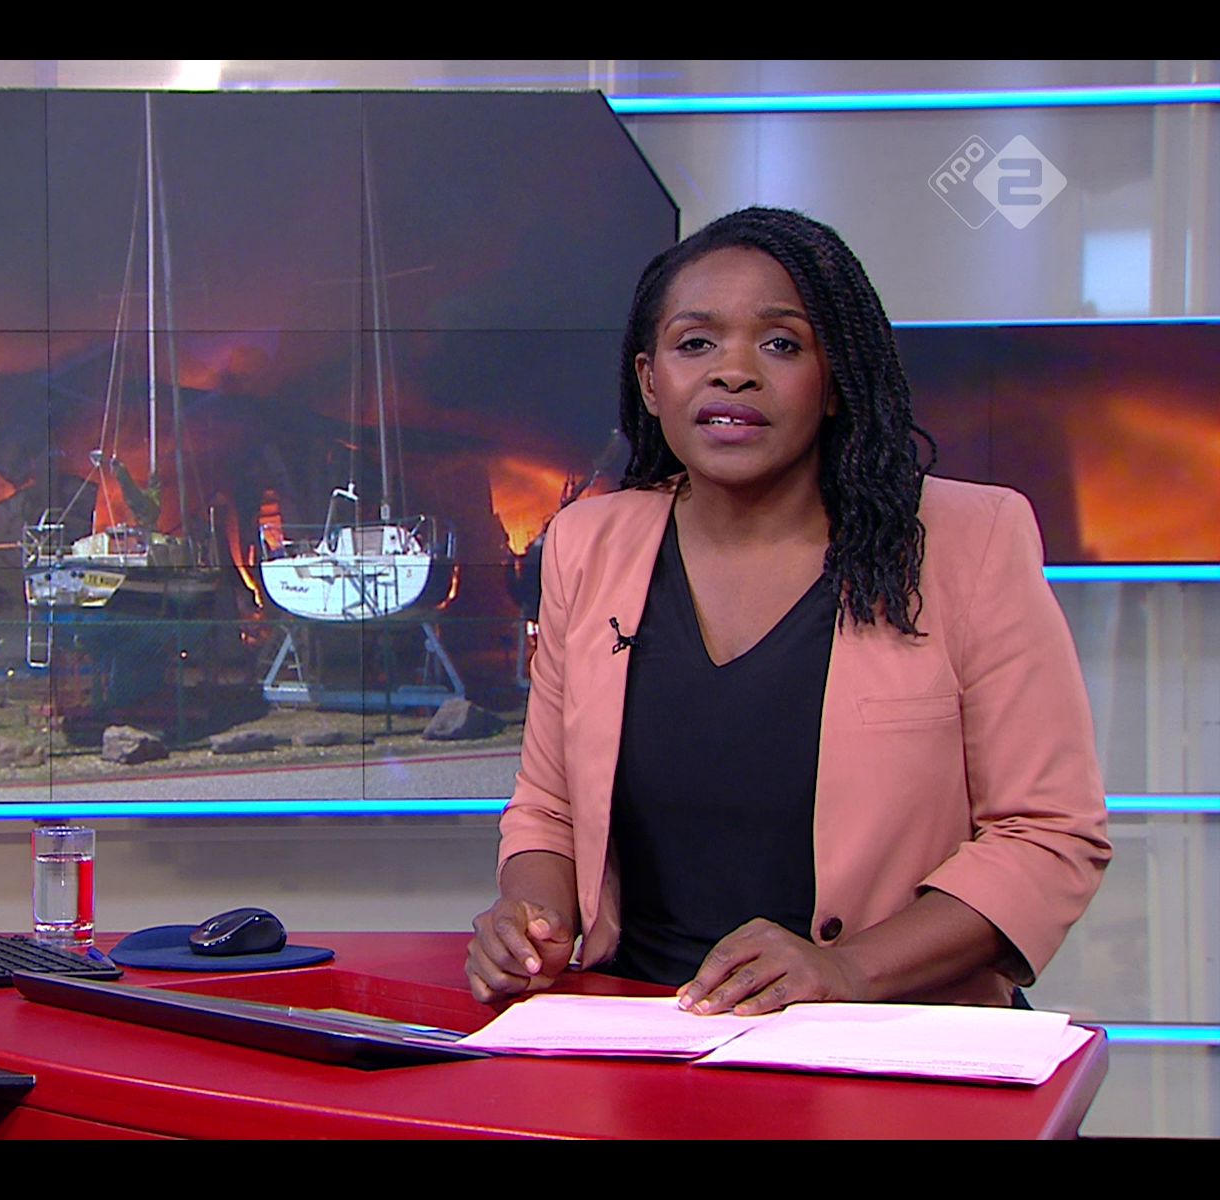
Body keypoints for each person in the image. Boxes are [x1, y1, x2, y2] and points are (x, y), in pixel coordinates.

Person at [468, 207, 1110, 1016]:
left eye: (780, 344)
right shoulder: (588, 542)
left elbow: (1046, 834)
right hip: (644, 1026)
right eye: (695, 344)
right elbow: (550, 808)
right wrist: (531, 918)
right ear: (649, 382)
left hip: (887, 1036)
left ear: (835, 380)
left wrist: (847, 971)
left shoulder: (969, 539)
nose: (733, 373)